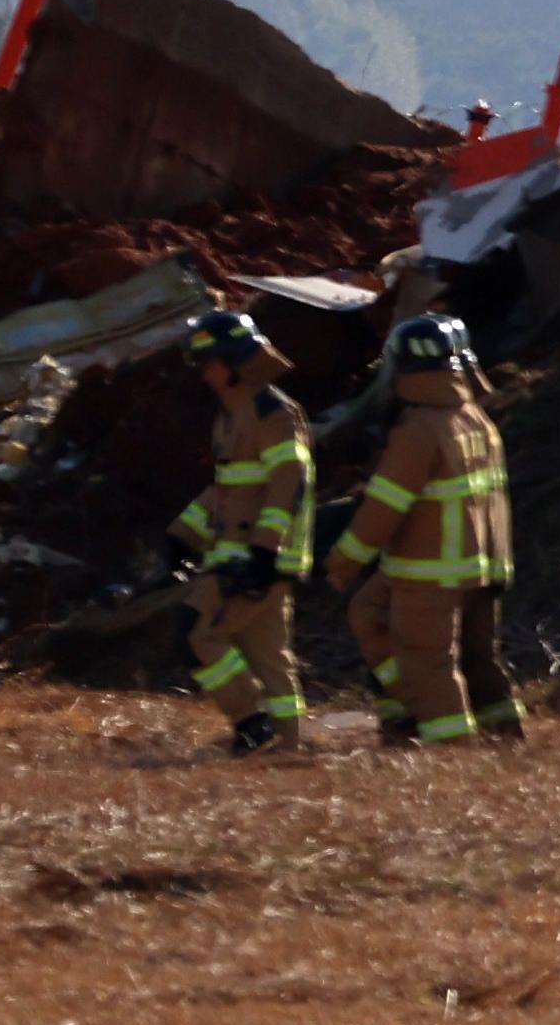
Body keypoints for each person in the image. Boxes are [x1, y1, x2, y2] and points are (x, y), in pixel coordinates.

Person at [330, 315, 522, 747]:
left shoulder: (419, 430)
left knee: (427, 660)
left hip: (431, 571)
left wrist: (343, 559)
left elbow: (385, 505)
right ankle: (500, 734)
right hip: (481, 566)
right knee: (380, 617)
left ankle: (451, 750)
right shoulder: (475, 419)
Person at [171, 308, 315, 755]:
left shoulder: (272, 412)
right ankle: (288, 745)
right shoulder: (233, 414)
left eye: (209, 364)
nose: (204, 375)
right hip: (245, 552)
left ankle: (252, 723)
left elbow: (288, 482)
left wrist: (265, 553)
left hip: (255, 556)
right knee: (268, 654)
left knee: (197, 632)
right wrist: (181, 535)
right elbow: (228, 488)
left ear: (233, 361)